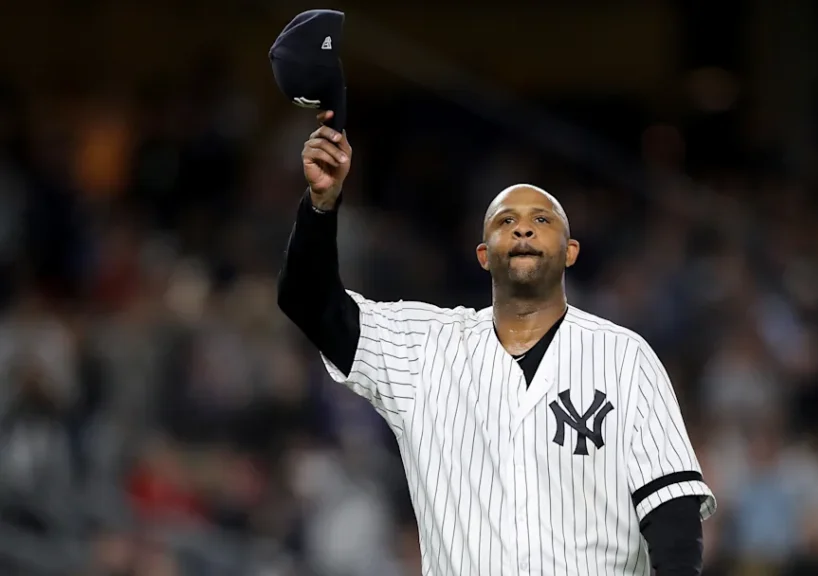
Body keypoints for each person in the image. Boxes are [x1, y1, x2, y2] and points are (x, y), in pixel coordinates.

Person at [277, 110, 716, 575]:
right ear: (483, 255)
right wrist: (321, 205)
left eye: (541, 220)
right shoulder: (425, 347)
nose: (523, 228)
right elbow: (310, 303)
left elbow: (672, 507)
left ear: (571, 252)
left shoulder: (624, 357)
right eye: (506, 220)